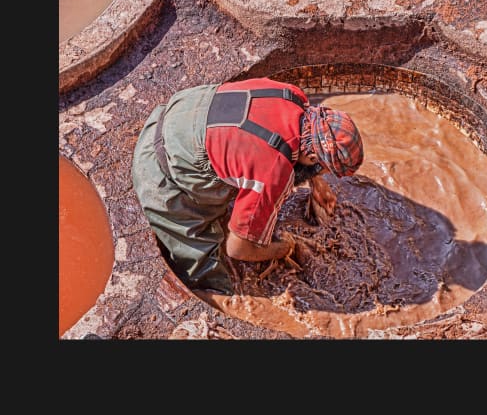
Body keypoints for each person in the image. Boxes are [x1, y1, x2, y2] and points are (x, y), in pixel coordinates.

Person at [132, 76, 364, 294]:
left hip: (182, 111)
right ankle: (216, 289)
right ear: (314, 158)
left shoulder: (294, 96)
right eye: (325, 168)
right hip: (157, 169)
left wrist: (317, 183)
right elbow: (237, 249)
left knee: (245, 178)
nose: (323, 173)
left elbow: (289, 143)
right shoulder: (273, 170)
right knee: (211, 273)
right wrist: (283, 247)